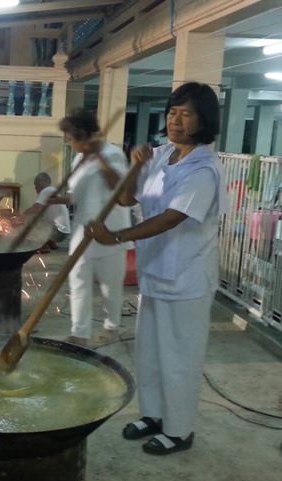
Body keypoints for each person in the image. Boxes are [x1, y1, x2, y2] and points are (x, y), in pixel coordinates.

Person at [87, 82, 226, 455]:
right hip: (156, 274)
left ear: (204, 120)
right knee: (150, 352)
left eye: (186, 114)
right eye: (172, 113)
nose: (176, 121)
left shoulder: (204, 168)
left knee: (180, 357)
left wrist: (117, 237)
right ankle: (153, 415)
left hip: (186, 277)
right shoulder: (163, 154)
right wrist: (136, 166)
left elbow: (172, 217)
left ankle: (179, 430)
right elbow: (129, 196)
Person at [58, 108, 132, 347]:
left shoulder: (112, 153)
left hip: (110, 229)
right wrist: (56, 200)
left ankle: (112, 325)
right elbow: (78, 195)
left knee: (110, 285)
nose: (70, 143)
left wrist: (99, 157)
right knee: (78, 279)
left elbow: (119, 189)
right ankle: (79, 332)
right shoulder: (79, 158)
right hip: (83, 228)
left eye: (71, 139)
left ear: (83, 136)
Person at [23, 172, 71, 252]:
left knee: (31, 217)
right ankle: (51, 242)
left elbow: (36, 208)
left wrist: (22, 215)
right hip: (64, 232)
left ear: (43, 182)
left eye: (36, 184)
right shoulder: (53, 190)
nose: (35, 188)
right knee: (44, 216)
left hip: (58, 232)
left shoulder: (46, 190)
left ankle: (42, 246)